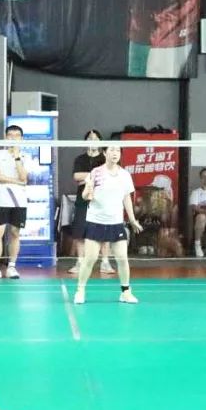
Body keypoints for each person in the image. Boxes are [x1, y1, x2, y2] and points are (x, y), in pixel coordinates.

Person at [74, 145, 144, 305]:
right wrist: (88, 190)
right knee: (90, 259)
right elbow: (84, 196)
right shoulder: (96, 172)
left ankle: (126, 292)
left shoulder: (125, 175)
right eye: (112, 150)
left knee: (122, 258)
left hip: (116, 222)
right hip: (96, 221)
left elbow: (126, 198)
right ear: (105, 153)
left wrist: (132, 219)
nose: (115, 153)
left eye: (118, 151)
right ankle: (80, 290)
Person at [0, 125, 28, 280]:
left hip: (19, 201)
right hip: (1, 200)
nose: (13, 138)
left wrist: (17, 157)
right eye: (10, 135)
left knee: (15, 233)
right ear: (5, 137)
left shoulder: (26, 156)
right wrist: (16, 181)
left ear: (21, 138)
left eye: (17, 135)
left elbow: (24, 177)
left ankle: (12, 267)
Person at [69, 130, 113, 276]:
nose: (92, 140)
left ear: (100, 141)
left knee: (104, 231)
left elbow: (108, 175)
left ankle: (105, 262)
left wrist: (87, 178)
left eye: (95, 138)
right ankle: (80, 262)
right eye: (89, 138)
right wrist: (95, 176)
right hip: (83, 200)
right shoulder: (80, 159)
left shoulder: (105, 158)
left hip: (102, 200)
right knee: (80, 231)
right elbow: (76, 176)